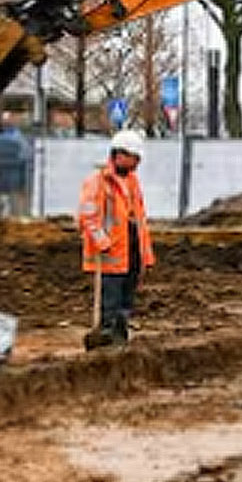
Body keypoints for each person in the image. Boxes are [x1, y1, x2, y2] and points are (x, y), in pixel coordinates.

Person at [78, 129, 155, 347]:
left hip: (130, 250)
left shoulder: (132, 182)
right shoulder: (98, 181)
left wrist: (144, 254)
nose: (137, 163)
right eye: (135, 158)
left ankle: (120, 339)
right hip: (110, 254)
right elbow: (88, 215)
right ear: (120, 155)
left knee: (126, 299)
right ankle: (106, 338)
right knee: (110, 299)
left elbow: (139, 218)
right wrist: (102, 241)